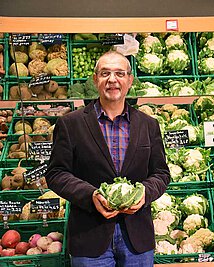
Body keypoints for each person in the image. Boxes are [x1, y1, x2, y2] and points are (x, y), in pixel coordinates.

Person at [45, 51, 170, 267]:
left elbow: (161, 173)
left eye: (120, 73)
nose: (112, 80)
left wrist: (144, 193)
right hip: (89, 236)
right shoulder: (70, 124)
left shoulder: (148, 125)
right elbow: (56, 174)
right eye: (105, 73)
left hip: (137, 239)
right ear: (96, 80)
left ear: (130, 80)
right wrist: (90, 195)